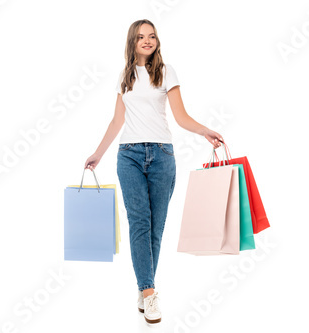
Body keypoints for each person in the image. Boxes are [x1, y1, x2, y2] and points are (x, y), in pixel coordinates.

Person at [84, 19, 223, 324]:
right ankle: (149, 293)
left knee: (156, 228)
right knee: (139, 224)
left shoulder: (166, 72)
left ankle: (143, 287)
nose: (147, 41)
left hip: (162, 156)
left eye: (152, 36)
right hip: (129, 155)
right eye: (141, 37)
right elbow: (116, 121)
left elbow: (181, 116)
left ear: (157, 41)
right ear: (132, 42)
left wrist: (204, 131)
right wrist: (98, 153)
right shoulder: (124, 76)